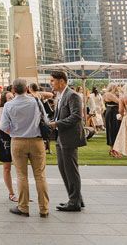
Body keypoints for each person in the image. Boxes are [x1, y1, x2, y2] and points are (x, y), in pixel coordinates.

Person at [0, 79, 50, 218]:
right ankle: (44, 208)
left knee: (22, 176)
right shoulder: (36, 102)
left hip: (18, 141)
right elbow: (45, 120)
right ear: (27, 88)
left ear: (13, 90)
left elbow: (3, 126)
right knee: (40, 175)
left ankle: (23, 206)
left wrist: (14, 132)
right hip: (36, 140)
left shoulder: (9, 105)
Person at [48, 71, 86, 212]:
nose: (51, 83)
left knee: (70, 170)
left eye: (52, 80)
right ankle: (76, 198)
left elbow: (76, 116)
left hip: (69, 137)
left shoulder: (72, 95)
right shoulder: (61, 95)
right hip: (61, 137)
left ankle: (74, 201)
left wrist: (57, 124)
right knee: (63, 169)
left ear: (62, 81)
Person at [0, 90, 16, 201]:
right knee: (7, 166)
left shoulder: (14, 108)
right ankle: (11, 193)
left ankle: (22, 193)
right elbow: (3, 126)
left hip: (15, 137)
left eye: (13, 97)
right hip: (5, 137)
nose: (12, 100)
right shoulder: (2, 110)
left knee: (19, 167)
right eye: (9, 98)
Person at [104, 84, 122, 157]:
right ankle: (113, 150)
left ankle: (114, 149)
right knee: (113, 130)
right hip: (112, 112)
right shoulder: (108, 94)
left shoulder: (110, 94)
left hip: (113, 112)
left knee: (115, 130)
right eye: (116, 87)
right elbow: (118, 101)